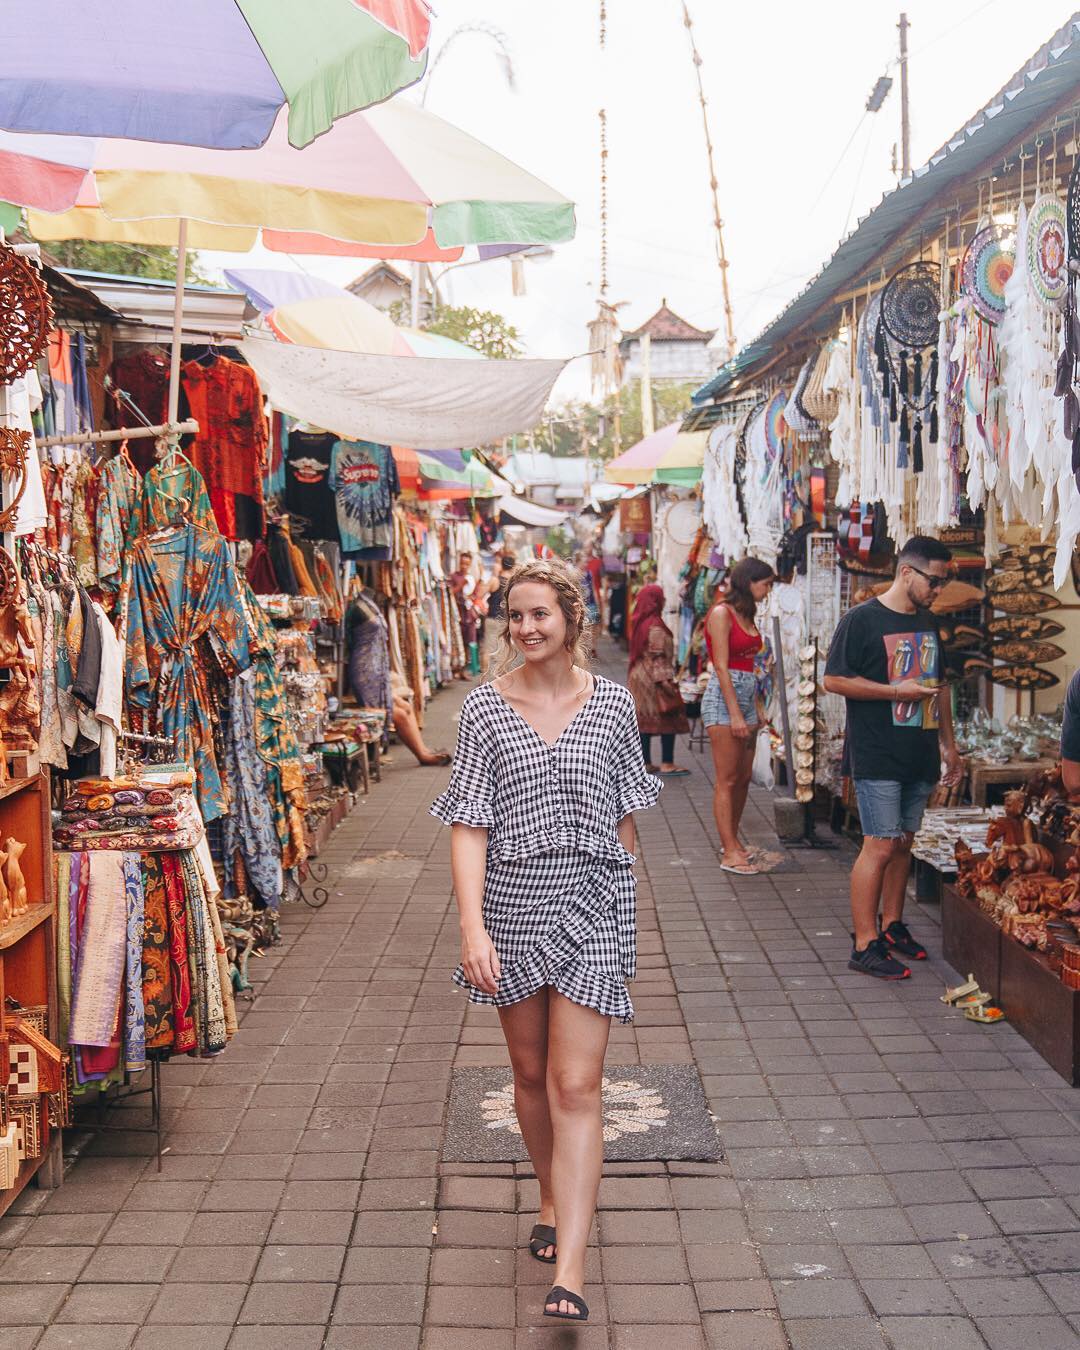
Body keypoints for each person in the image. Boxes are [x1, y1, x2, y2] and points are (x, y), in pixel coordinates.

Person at [430, 558, 660, 1323]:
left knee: (575, 1086)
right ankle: (550, 1198)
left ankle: (572, 1271)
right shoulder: (485, 711)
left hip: (596, 903)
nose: (527, 628)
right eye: (515, 617)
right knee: (529, 1076)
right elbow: (469, 825)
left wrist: (629, 916)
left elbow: (627, 818)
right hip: (514, 908)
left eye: (540, 615)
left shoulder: (615, 706)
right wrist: (473, 927)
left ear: (571, 620)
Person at [823, 535, 963, 979]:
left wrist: (949, 745)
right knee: (879, 845)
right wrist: (892, 692)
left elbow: (938, 688)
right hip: (878, 752)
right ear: (907, 572)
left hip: (917, 752)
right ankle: (864, 943)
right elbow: (834, 680)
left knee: (903, 843)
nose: (938, 590)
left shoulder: (926, 621)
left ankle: (893, 924)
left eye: (943, 582)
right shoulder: (861, 621)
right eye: (935, 581)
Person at [702, 558, 775, 875]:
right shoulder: (722, 613)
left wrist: (758, 709)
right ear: (749, 582)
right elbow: (720, 665)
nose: (768, 590)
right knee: (727, 779)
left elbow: (755, 666)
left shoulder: (748, 615)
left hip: (747, 698)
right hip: (724, 699)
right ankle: (729, 849)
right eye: (765, 583)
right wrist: (735, 714)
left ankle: (731, 839)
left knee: (743, 778)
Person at [627, 583, 690, 777]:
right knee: (668, 716)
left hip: (638, 676)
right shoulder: (655, 626)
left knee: (644, 719)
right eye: (660, 597)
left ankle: (645, 762)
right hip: (652, 679)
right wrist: (667, 682)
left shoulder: (640, 622)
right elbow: (658, 657)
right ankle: (667, 762)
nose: (663, 601)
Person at [449, 551, 480, 678]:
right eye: (462, 563)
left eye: (467, 564)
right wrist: (460, 585)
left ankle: (466, 669)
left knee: (469, 642)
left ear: (470, 564)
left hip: (469, 615)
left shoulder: (472, 578)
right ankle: (457, 669)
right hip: (458, 614)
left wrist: (472, 597)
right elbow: (449, 593)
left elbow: (475, 595)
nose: (464, 566)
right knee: (458, 641)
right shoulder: (454, 577)